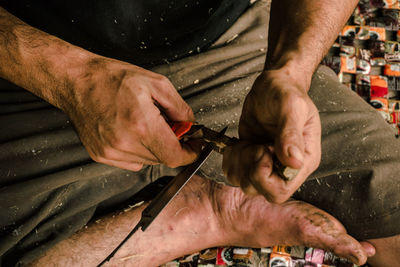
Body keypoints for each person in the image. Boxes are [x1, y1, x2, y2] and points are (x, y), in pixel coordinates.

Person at [0, 0, 399, 266]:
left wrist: (289, 71)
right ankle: (206, 214)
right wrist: (72, 77)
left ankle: (219, 207)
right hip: (32, 69)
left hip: (227, 47)